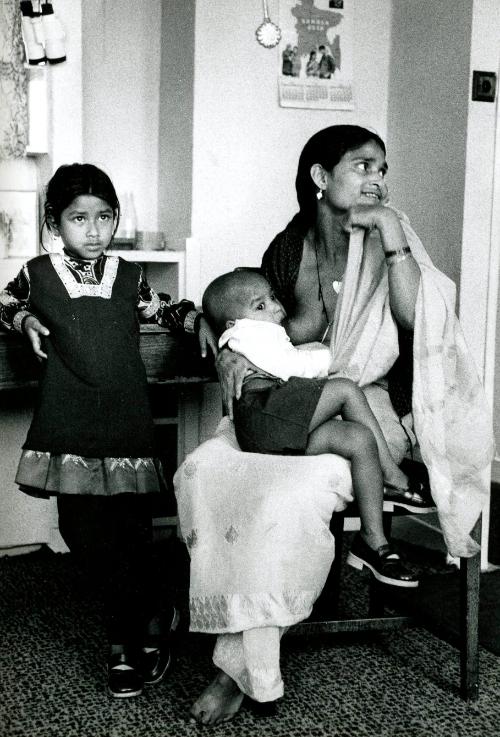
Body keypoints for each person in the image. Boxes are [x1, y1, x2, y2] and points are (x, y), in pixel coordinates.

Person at [179, 125, 494, 724]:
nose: (377, 178)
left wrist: (392, 231)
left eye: (383, 168)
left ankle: (237, 670)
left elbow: (416, 321)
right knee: (206, 468)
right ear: (322, 178)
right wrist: (217, 337)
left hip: (369, 410)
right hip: (291, 400)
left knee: (283, 498)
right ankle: (230, 624)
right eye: (363, 166)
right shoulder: (289, 248)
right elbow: (246, 311)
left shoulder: (391, 238)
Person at [0, 163, 216, 699]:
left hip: (126, 426)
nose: (93, 230)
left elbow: (162, 311)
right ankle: (151, 614)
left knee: (133, 534)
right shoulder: (37, 272)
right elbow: (3, 302)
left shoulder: (126, 273)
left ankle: (127, 642)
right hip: (69, 425)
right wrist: (24, 319)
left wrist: (201, 322)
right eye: (79, 219)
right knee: (82, 534)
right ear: (55, 222)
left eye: (104, 217)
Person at [203, 268, 429, 583]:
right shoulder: (246, 334)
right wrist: (334, 360)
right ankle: (393, 475)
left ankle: (372, 541)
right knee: (346, 389)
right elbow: (290, 366)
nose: (274, 307)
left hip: (277, 426)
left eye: (272, 299)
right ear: (233, 324)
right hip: (266, 414)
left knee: (358, 438)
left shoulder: (256, 331)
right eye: (261, 305)